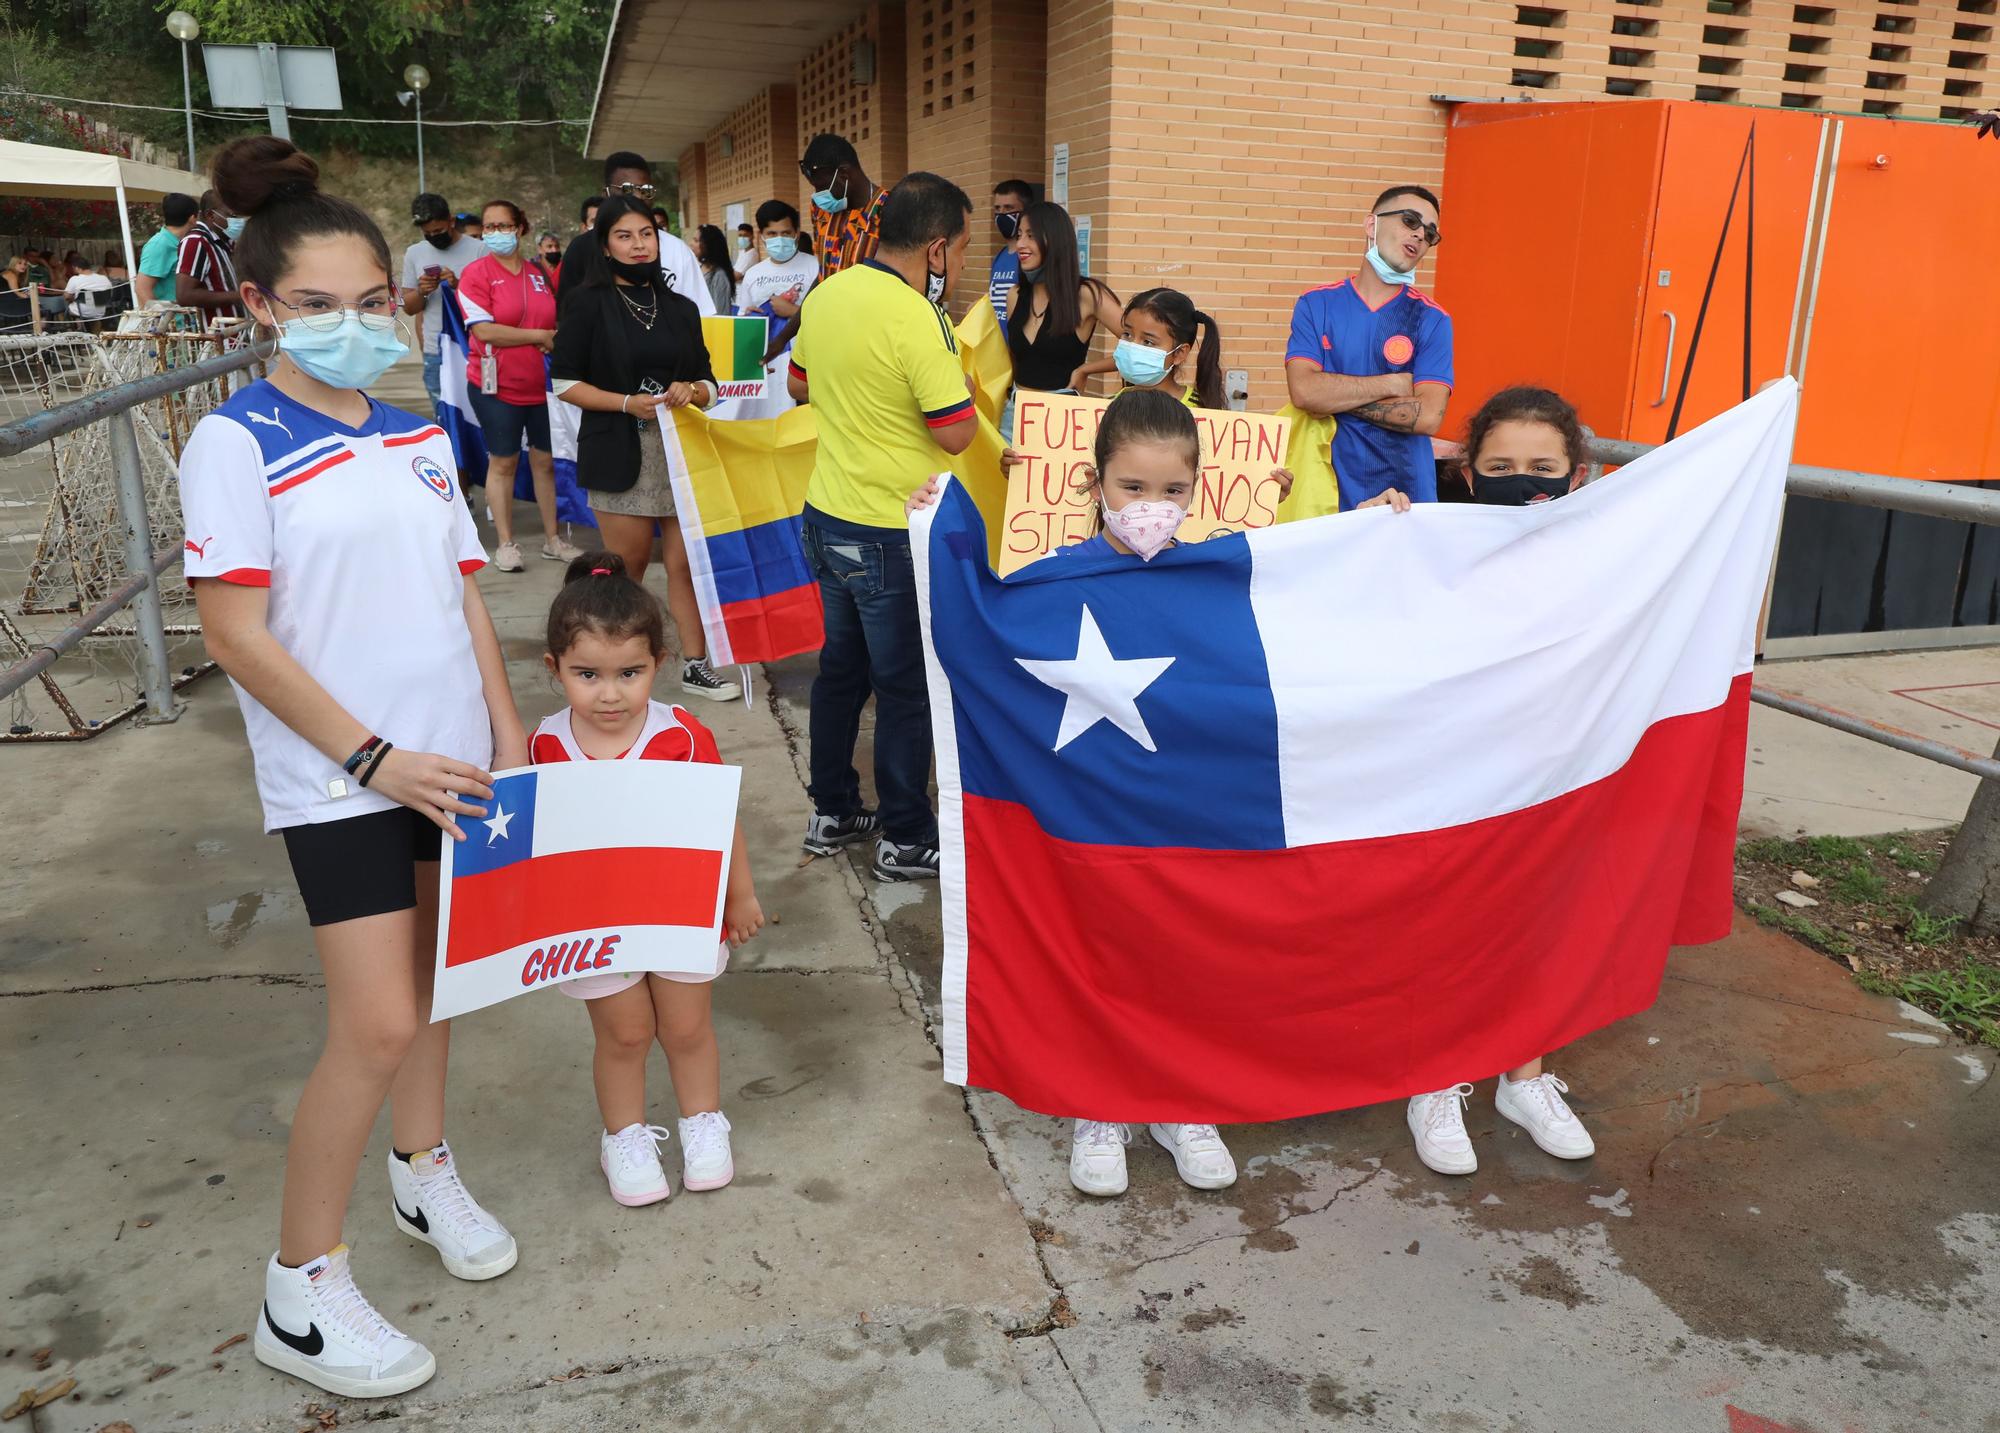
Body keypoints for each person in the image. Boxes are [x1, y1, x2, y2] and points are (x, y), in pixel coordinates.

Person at [177, 134, 524, 1401]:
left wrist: (503, 728)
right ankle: (300, 1285)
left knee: (441, 987)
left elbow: (467, 597)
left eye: (368, 302)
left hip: (452, 764)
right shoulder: (234, 439)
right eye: (315, 305)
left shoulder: (418, 433)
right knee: (374, 1020)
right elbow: (233, 634)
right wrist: (374, 757)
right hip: (342, 778)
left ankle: (423, 1171)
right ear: (262, 304)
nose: (347, 323)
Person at [903, 391, 1256, 1194]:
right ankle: (1102, 1103)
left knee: (1183, 955)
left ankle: (1181, 1100)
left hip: (1187, 818)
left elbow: (1312, 609)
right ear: (1096, 481)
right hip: (1086, 819)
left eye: (1172, 491)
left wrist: (1380, 528)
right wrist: (937, 528)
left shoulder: (1220, 575)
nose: (1151, 508)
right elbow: (975, 634)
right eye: (1133, 487)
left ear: (1197, 486)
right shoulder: (1053, 580)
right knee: (1100, 949)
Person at [530, 552, 764, 1204]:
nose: (610, 692)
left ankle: (702, 1122)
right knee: (624, 1033)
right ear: (555, 670)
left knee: (688, 1028)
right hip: (594, 920)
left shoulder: (683, 736)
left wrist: (738, 893)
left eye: (629, 673)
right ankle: (624, 1136)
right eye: (588, 674)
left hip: (680, 910)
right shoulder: (544, 745)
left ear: (658, 663)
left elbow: (723, 820)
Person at [1404, 384, 1596, 1177]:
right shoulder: (1435, 546)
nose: (1524, 479)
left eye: (1542, 466)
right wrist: (1389, 534)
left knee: (1541, 918)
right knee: (1453, 919)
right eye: (1502, 465)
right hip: (1458, 772)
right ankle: (1434, 1078)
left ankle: (1524, 1074)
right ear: (1471, 474)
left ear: (1577, 474)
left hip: (1556, 768)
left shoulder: (1608, 556)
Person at [786, 171, 977, 882]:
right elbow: (956, 433)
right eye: (959, 251)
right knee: (904, 687)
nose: (958, 266)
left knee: (840, 671)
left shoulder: (827, 293)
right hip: (890, 532)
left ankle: (831, 809)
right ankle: (906, 835)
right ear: (934, 248)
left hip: (826, 516)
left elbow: (798, 384)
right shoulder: (917, 318)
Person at [551, 196, 738, 702]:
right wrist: (626, 402)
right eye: (625, 236)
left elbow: (709, 380)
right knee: (626, 570)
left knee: (686, 565)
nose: (639, 245)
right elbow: (565, 382)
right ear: (605, 246)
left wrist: (693, 391)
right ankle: (620, 670)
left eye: (647, 235)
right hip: (618, 448)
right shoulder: (587, 303)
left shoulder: (679, 306)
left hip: (680, 451)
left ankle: (696, 665)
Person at [1283, 184, 1454, 510]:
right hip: (1326, 493)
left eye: (1430, 233)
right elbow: (1304, 392)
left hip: (1405, 497)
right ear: (1371, 225)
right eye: (1410, 221)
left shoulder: (1432, 319)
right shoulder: (1316, 304)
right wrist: (1391, 383)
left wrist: (1333, 399)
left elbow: (1429, 416)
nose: (1420, 235)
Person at [458, 198, 576, 572]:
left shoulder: (538, 273)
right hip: (495, 386)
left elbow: (555, 323)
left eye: (503, 226)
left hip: (539, 385)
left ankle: (553, 540)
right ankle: (506, 544)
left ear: (520, 228)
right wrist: (537, 335)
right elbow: (484, 329)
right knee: (504, 462)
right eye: (489, 227)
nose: (496, 234)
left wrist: (549, 336)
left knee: (544, 462)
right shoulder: (475, 274)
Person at [1005, 202, 1122, 424]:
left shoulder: (1087, 294)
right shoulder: (1015, 294)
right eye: (1019, 235)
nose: (1020, 244)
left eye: (1031, 235)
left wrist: (1086, 370)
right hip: (1015, 413)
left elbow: (1139, 347)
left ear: (1055, 239)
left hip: (1062, 419)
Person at [555, 152, 712, 316]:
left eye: (645, 190)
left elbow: (702, 316)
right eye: (627, 190)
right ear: (606, 194)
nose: (638, 198)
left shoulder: (678, 250)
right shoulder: (581, 248)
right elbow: (566, 317)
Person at [400, 193, 489, 418]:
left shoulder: (479, 250)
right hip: (436, 352)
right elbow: (408, 307)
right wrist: (422, 290)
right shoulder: (415, 253)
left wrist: (458, 285)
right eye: (427, 234)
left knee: (481, 417)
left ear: (451, 221)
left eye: (438, 231)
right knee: (445, 419)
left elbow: (491, 303)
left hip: (474, 348)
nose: (433, 237)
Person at [735, 199, 818, 417]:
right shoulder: (753, 274)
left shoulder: (814, 266)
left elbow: (829, 317)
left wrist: (791, 312)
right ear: (761, 236)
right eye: (772, 234)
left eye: (786, 233)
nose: (779, 239)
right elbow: (743, 319)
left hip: (806, 368)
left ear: (797, 234)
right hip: (769, 370)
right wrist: (749, 319)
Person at [1113, 287, 1225, 410]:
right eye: (1127, 334)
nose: (1132, 347)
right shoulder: (1109, 406)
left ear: (1179, 353)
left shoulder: (1200, 412)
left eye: (1148, 342)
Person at [177, 189, 245, 321]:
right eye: (232, 215)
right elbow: (184, 295)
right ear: (211, 215)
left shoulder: (225, 240)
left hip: (240, 335)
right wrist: (239, 296)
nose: (238, 221)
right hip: (220, 336)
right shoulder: (196, 241)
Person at [136, 193, 199, 307]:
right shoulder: (159, 245)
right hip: (171, 322)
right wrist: (163, 319)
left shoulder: (183, 243)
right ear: (192, 218)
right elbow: (142, 289)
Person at [988, 178, 1032, 321]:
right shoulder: (1000, 256)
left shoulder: (1030, 256)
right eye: (997, 208)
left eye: (1009, 208)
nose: (1001, 214)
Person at [694, 223, 737, 316]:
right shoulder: (698, 269)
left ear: (708, 245)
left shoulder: (719, 276)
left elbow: (721, 315)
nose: (691, 243)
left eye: (696, 240)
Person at [62, 254, 112, 322]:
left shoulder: (75, 279)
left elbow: (66, 297)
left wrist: (75, 298)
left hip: (81, 311)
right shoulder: (104, 278)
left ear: (76, 268)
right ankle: (82, 324)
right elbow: (109, 294)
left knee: (65, 302)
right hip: (100, 312)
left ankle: (75, 326)